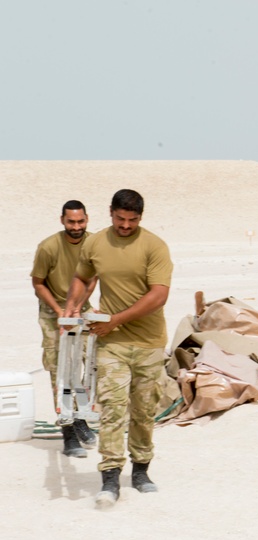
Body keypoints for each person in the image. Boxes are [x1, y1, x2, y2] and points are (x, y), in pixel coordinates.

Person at [63, 189, 173, 509]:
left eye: (132, 220)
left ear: (141, 217)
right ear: (110, 213)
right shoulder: (96, 243)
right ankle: (110, 477)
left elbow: (158, 296)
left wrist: (117, 319)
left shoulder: (155, 246)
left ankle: (141, 472)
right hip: (111, 343)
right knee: (112, 407)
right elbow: (83, 278)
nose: (125, 226)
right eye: (120, 219)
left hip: (149, 342)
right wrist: (72, 307)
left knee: (142, 410)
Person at [30, 200, 99, 458]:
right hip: (52, 312)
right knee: (59, 370)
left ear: (87, 219)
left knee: (88, 363)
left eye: (81, 221)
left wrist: (79, 306)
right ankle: (69, 434)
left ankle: (80, 417)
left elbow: (93, 278)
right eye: (71, 222)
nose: (76, 227)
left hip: (81, 307)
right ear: (62, 221)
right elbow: (38, 283)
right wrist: (60, 312)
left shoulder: (94, 243)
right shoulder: (48, 247)